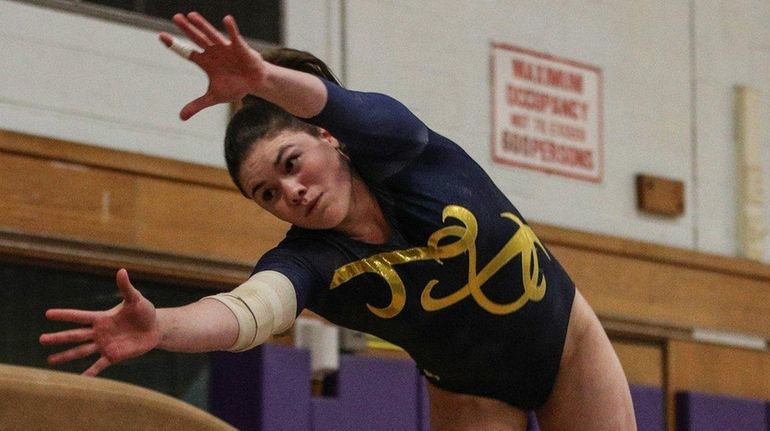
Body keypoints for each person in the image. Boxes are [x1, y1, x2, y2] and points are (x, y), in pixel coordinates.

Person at [40, 12, 636, 431]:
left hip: (565, 348)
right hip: (469, 392)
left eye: (292, 164)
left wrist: (263, 80)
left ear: (328, 140)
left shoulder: (404, 153)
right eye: (266, 193)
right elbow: (247, 311)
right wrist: (162, 328)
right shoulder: (310, 261)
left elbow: (344, 105)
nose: (291, 193)